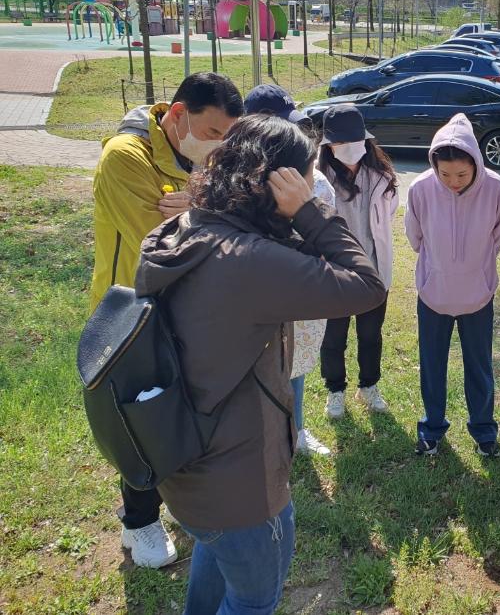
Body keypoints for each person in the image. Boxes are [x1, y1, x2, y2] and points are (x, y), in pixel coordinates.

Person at [134, 114, 386, 614]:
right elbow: (366, 285)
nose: (311, 185)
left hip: (187, 462)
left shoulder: (188, 226)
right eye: (305, 177)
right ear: (278, 181)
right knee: (252, 600)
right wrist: (310, 213)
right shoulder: (247, 261)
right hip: (240, 481)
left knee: (216, 558)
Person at [91, 72, 243, 568]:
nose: (220, 147)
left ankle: (177, 503)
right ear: (178, 115)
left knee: (179, 410)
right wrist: (209, 211)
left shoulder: (198, 155)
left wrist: (200, 205)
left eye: (227, 137)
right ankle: (139, 523)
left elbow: (226, 212)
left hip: (184, 307)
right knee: (143, 418)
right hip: (131, 314)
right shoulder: (125, 157)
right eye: (214, 133)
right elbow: (161, 246)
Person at [406, 113, 500, 457]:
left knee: (479, 367)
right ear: (433, 165)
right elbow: (415, 236)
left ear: (477, 165)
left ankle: (484, 433)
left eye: (462, 174)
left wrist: (476, 268)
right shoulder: (420, 188)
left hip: (478, 295)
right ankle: (431, 429)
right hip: (433, 294)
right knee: (432, 366)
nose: (453, 181)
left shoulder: (495, 187)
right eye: (445, 174)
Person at [244, 84, 333, 456]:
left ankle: (295, 430)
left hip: (298, 295)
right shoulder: (234, 182)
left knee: (295, 363)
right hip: (251, 303)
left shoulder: (316, 183)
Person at [317, 105, 399, 418]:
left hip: (374, 270)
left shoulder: (382, 176)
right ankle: (335, 390)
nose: (350, 149)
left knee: (370, 334)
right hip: (335, 273)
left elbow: (388, 215)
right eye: (342, 143)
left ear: (365, 141)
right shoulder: (319, 178)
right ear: (329, 145)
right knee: (333, 337)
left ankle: (369, 386)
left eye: (355, 141)